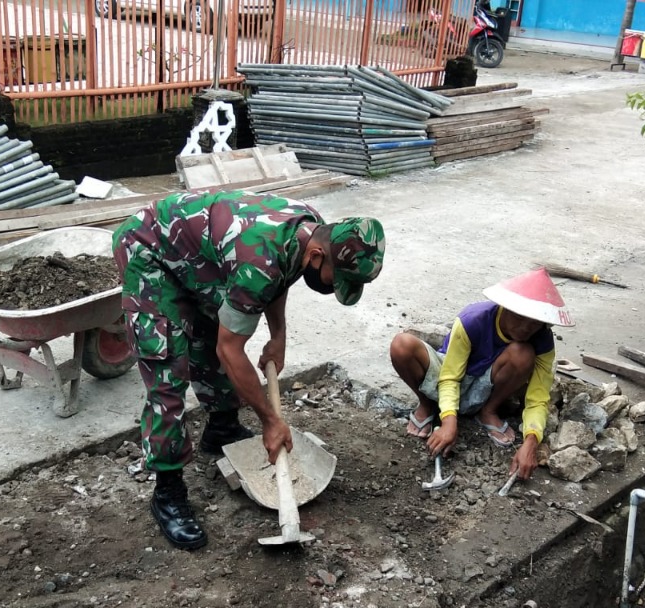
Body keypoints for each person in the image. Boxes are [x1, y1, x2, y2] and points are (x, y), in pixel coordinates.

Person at [112, 190, 385, 550]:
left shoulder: (309, 230)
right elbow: (233, 349)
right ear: (319, 254)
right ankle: (168, 492)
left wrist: (278, 335)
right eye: (337, 279)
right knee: (169, 373)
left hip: (200, 256)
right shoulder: (260, 261)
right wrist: (270, 420)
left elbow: (281, 275)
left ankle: (221, 429)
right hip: (149, 251)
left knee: (210, 337)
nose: (335, 287)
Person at [389, 267, 573, 481]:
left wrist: (531, 442)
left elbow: (538, 399)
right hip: (450, 373)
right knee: (401, 345)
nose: (526, 328)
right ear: (505, 308)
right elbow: (450, 377)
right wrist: (449, 421)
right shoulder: (473, 319)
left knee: (522, 353)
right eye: (520, 318)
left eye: (535, 322)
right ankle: (428, 404)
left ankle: (488, 411)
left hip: (486, 385)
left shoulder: (542, 339)